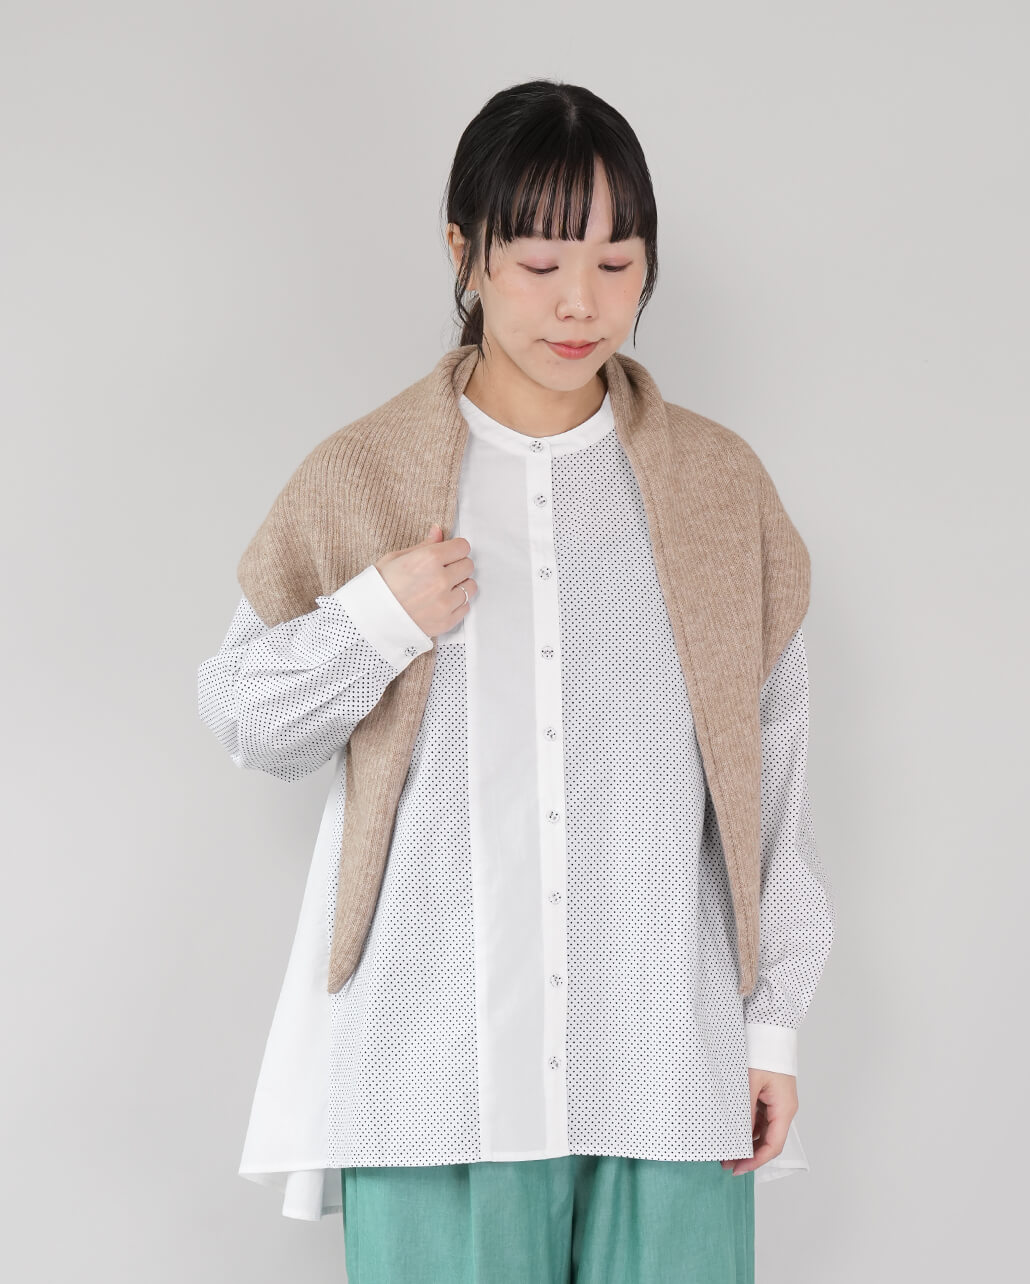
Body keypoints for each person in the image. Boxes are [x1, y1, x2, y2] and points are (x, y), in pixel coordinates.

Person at [197, 78, 835, 1284]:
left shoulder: (719, 491)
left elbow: (775, 781)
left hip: (663, 1061)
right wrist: (375, 618)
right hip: (431, 1072)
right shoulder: (363, 476)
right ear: (464, 254)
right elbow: (245, 717)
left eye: (615, 262)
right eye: (539, 263)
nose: (579, 302)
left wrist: (772, 1027)